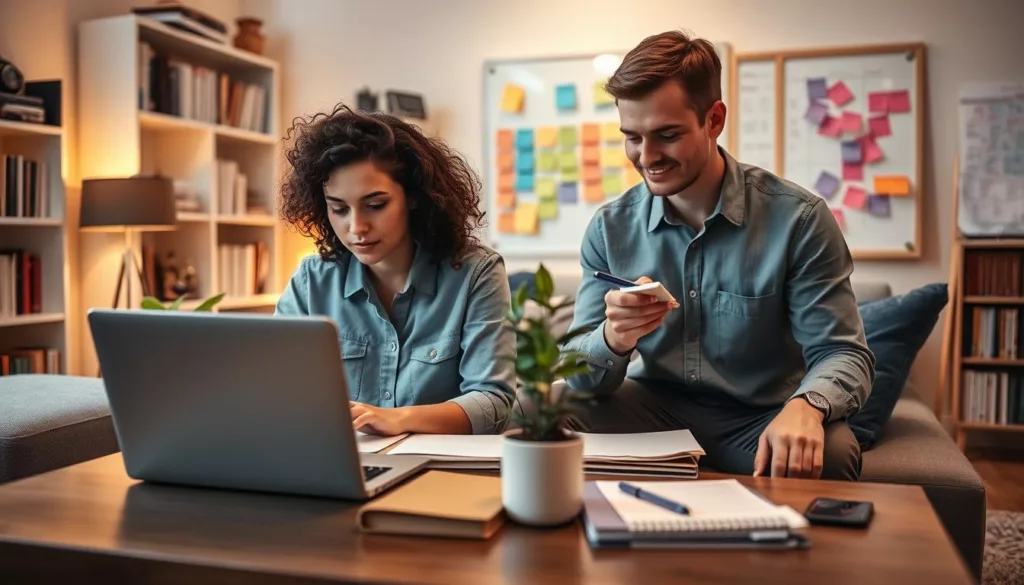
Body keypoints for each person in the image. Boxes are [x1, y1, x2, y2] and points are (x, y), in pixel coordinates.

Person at [562, 31, 875, 480]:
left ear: (714, 119)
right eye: (632, 137)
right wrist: (613, 338)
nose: (646, 157)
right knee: (540, 417)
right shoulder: (610, 229)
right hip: (652, 412)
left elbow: (843, 352)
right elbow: (579, 375)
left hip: (760, 418)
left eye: (666, 135)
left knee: (832, 452)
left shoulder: (799, 220)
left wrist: (807, 407)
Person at [275, 103, 516, 437]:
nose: (356, 227)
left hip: (441, 472)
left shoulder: (476, 273)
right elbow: (276, 393)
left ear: (414, 197)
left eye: (375, 205)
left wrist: (398, 419)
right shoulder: (311, 282)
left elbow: (494, 402)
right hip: (343, 464)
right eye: (339, 209)